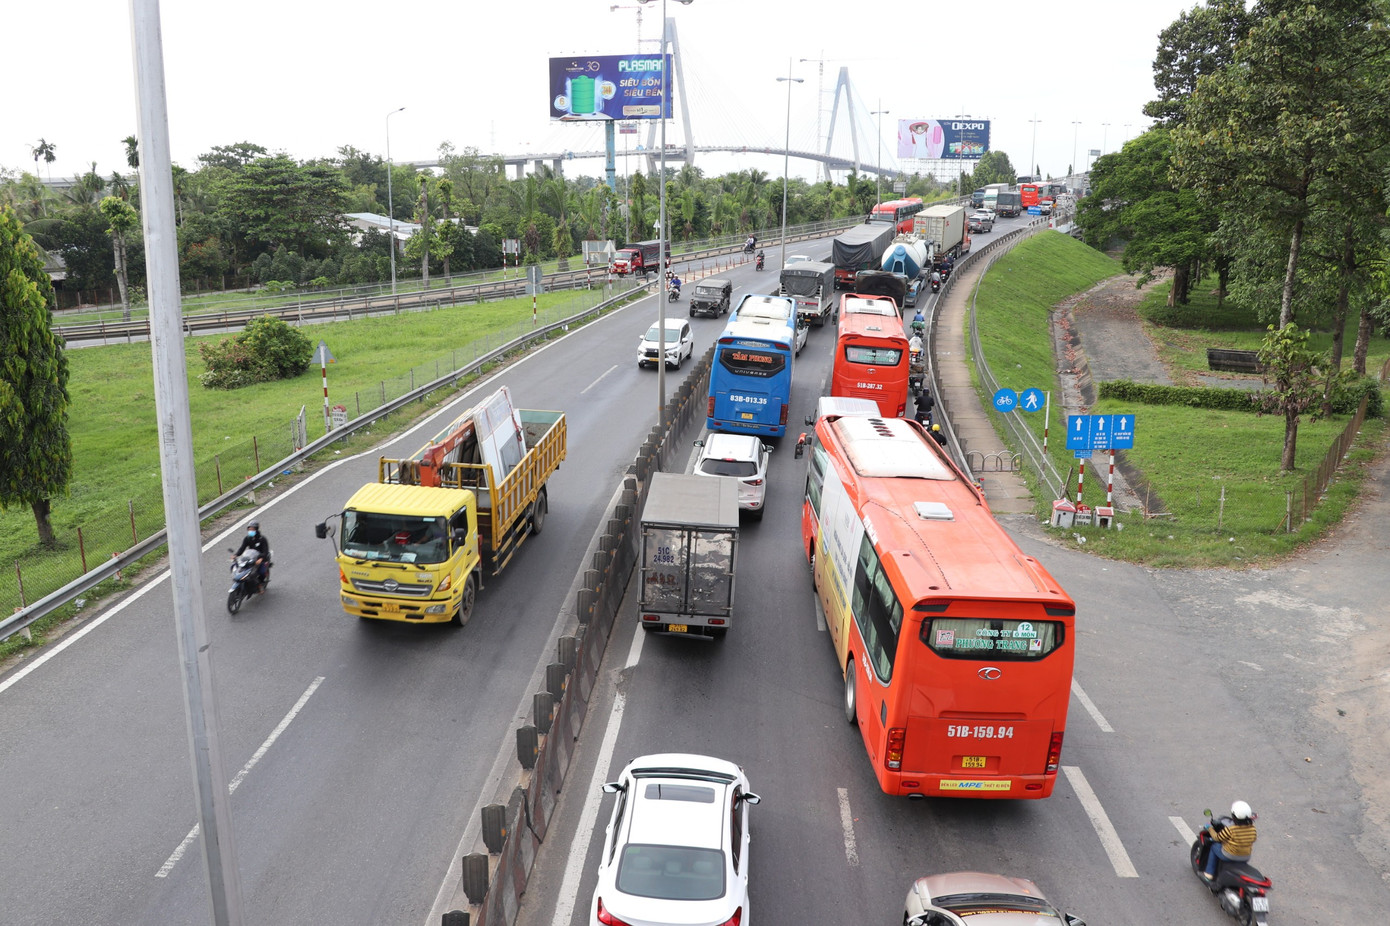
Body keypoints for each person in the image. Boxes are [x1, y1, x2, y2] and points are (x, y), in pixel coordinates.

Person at [1205, 800, 1257, 880]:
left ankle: (1209, 873)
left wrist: (1210, 828)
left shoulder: (1231, 829)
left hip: (1230, 856)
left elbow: (1217, 838)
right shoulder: (1252, 829)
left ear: (1234, 817)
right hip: (1246, 857)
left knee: (1214, 846)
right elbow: (1253, 839)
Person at [234, 520, 271, 592]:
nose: (251, 531)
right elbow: (242, 548)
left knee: (261, 571)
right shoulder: (247, 538)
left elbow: (265, 551)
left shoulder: (262, 539)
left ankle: (260, 584)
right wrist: (236, 555)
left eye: (252, 529)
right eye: (249, 529)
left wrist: (261, 558)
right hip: (250, 557)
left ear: (256, 530)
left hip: (261, 559)